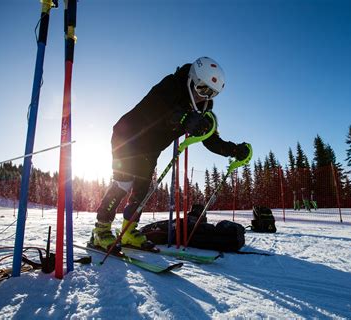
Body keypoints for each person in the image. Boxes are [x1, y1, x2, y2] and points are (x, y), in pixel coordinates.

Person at [93, 57, 252, 250]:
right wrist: (183, 118)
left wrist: (233, 150)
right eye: (203, 89)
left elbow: (209, 138)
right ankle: (100, 230)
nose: (206, 96)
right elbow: (154, 111)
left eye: (213, 93)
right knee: (124, 182)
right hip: (128, 137)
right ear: (192, 79)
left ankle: (128, 231)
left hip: (150, 148)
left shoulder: (204, 107)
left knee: (142, 190)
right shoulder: (171, 86)